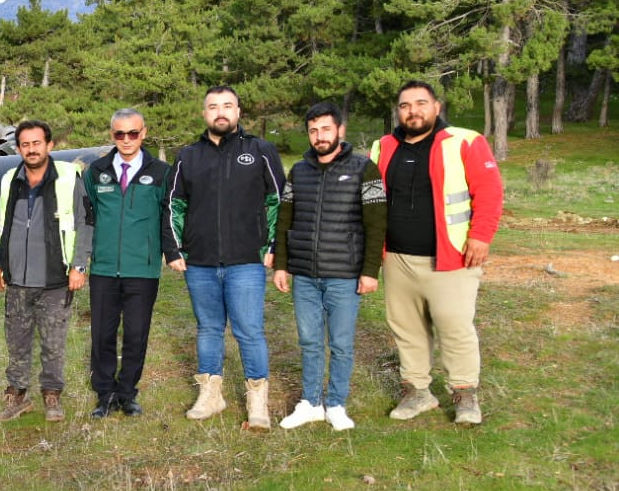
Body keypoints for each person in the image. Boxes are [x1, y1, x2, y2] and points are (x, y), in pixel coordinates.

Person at [370, 80, 503, 424]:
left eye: (421, 103)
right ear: (398, 111)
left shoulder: (465, 141)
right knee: (407, 328)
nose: (413, 111)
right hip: (397, 258)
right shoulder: (383, 147)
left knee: (454, 326)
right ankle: (417, 392)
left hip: (452, 258)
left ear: (436, 107)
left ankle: (465, 395)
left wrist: (481, 236)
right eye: (405, 106)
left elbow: (489, 191)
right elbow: (371, 201)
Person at [168, 85, 286, 429]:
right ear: (204, 113)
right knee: (208, 329)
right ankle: (211, 395)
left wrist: (274, 246)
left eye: (227, 106)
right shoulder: (188, 156)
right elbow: (174, 204)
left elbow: (278, 201)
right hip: (200, 261)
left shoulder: (260, 150)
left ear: (238, 112)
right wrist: (174, 248)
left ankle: (257, 401)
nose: (220, 112)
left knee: (249, 331)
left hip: (246, 260)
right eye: (213, 106)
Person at [273, 102, 387, 431]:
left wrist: (370, 271)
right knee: (309, 342)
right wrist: (281, 264)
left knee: (340, 344)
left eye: (325, 129)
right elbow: (285, 219)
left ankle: (336, 404)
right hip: (305, 275)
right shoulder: (298, 171)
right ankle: (310, 402)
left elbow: (376, 224)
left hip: (344, 275)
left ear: (340, 130)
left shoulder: (365, 169)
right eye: (313, 131)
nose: (319, 136)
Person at [82, 109, 181, 418]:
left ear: (144, 133)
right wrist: (84, 257)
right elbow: (87, 215)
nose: (126, 139)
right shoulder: (96, 172)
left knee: (136, 334)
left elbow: (168, 216)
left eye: (133, 133)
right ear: (112, 135)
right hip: (104, 268)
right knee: (102, 334)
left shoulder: (162, 173)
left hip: (142, 268)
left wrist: (172, 252)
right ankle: (105, 394)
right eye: (120, 134)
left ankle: (127, 393)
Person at [0, 120, 89, 423]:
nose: (31, 149)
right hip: (17, 279)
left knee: (53, 343)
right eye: (25, 144)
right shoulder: (10, 180)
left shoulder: (68, 178)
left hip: (55, 279)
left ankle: (51, 395)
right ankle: (17, 395)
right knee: (16, 342)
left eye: (36, 143)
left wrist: (79, 265)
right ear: (18, 148)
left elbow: (85, 222)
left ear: (49, 145)